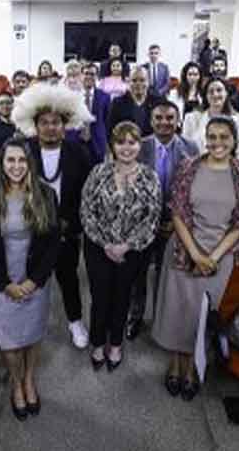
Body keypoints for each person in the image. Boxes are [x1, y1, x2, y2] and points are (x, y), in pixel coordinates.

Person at [152, 116, 239, 401]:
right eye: (212, 137)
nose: (217, 143)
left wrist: (211, 257)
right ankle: (175, 364)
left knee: (200, 316)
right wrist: (195, 254)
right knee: (177, 311)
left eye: (224, 137)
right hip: (183, 250)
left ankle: (192, 368)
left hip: (219, 257)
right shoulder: (189, 166)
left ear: (235, 140)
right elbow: (176, 212)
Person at [0, 138, 60, 421]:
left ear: (30, 163)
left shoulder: (46, 195)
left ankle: (29, 379)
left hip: (35, 280)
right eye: (10, 160)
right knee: (11, 340)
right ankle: (16, 382)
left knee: (32, 334)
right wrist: (5, 284)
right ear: (1, 164)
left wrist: (32, 282)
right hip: (3, 282)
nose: (16, 166)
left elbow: (52, 245)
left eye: (21, 160)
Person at [11, 83, 94, 349]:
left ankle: (75, 322)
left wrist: (73, 223)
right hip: (31, 227)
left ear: (64, 125)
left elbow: (88, 194)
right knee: (30, 277)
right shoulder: (23, 151)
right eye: (44, 122)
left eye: (56, 122)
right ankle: (26, 323)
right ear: (36, 125)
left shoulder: (79, 153)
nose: (50, 127)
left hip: (67, 228)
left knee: (68, 277)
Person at [81, 121, 161, 371]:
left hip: (132, 251)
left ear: (139, 145)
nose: (126, 148)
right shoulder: (98, 172)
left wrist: (125, 246)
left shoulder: (150, 176)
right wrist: (107, 244)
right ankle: (97, 343)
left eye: (132, 142)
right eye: (120, 142)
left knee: (122, 297)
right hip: (98, 248)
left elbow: (153, 218)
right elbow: (86, 211)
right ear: (112, 146)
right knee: (100, 296)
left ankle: (115, 344)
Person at [126, 101, 200, 340]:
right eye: (159, 117)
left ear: (178, 121)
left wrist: (177, 221)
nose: (164, 122)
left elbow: (194, 190)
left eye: (170, 118)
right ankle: (135, 316)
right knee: (137, 274)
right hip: (142, 223)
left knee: (166, 275)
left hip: (175, 224)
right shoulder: (139, 147)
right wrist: (148, 221)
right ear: (151, 120)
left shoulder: (191, 148)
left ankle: (161, 320)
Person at [182, 77, 239, 159]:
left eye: (219, 90)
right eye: (211, 91)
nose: (215, 94)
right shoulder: (192, 118)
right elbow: (186, 150)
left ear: (226, 93)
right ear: (206, 96)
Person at [107, 67, 156, 137]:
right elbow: (110, 131)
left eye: (142, 80)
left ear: (148, 82)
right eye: (134, 80)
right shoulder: (117, 103)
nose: (138, 84)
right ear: (128, 82)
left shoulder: (157, 102)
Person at [75, 63, 110, 163]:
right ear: (81, 76)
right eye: (86, 73)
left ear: (97, 77)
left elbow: (107, 122)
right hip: (76, 142)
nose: (89, 77)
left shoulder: (105, 97)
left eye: (92, 74)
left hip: (97, 144)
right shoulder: (73, 95)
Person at [169, 62, 204, 128]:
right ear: (185, 76)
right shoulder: (175, 93)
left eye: (196, 75)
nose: (192, 77)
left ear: (200, 76)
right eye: (190, 74)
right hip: (179, 127)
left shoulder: (203, 94)